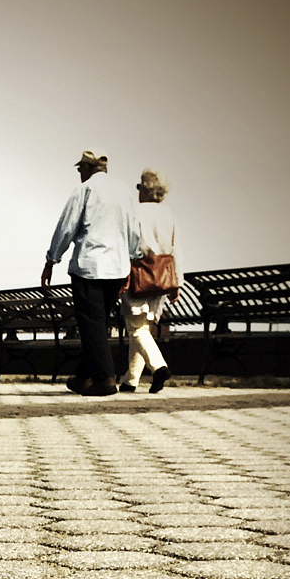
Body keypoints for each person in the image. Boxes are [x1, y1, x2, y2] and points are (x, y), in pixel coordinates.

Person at [41, 148, 140, 396]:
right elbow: (134, 231)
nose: (79, 174)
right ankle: (83, 376)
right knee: (98, 322)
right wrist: (129, 261)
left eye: (79, 169)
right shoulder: (124, 192)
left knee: (91, 323)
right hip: (117, 267)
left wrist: (51, 260)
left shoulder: (84, 190)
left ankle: (105, 379)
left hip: (90, 267)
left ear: (86, 169)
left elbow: (66, 228)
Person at [119, 168, 182, 393]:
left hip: (139, 273)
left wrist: (122, 274)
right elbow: (176, 250)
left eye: (139, 186)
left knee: (135, 327)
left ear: (145, 189)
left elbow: (129, 245)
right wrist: (177, 283)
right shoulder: (169, 215)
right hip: (162, 276)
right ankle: (131, 378)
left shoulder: (134, 212)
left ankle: (159, 367)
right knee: (144, 327)